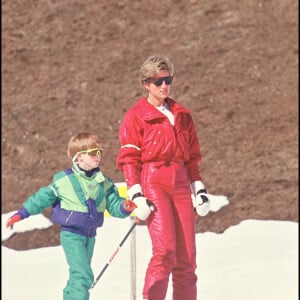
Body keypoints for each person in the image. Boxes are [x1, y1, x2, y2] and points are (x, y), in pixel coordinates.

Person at [117, 55, 212, 300]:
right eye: (158, 81)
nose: (164, 86)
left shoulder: (182, 115)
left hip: (180, 182)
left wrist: (198, 189)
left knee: (187, 258)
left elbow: (192, 157)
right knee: (165, 251)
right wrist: (136, 193)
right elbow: (129, 158)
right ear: (145, 84)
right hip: (154, 181)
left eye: (168, 79)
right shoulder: (135, 116)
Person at [6, 132, 142, 300]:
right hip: (71, 234)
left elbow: (113, 205)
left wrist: (124, 207)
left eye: (99, 152)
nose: (97, 156)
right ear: (79, 157)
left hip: (90, 235)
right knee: (83, 274)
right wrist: (21, 214)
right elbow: (41, 199)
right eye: (93, 153)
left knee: (78, 275)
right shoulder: (64, 180)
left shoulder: (103, 182)